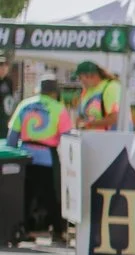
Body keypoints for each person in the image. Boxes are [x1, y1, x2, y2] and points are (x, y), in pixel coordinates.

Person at [9, 74, 67, 241]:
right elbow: (68, 136)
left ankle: (24, 229)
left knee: (25, 194)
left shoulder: (25, 105)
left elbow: (13, 135)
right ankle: (58, 231)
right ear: (55, 92)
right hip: (46, 156)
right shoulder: (58, 108)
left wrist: (12, 157)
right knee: (50, 194)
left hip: (24, 155)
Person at [71, 59, 120, 130]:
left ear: (89, 76)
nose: (80, 81)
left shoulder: (111, 87)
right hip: (89, 137)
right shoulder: (87, 90)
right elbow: (81, 115)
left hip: (108, 137)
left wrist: (88, 124)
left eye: (80, 78)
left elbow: (115, 117)